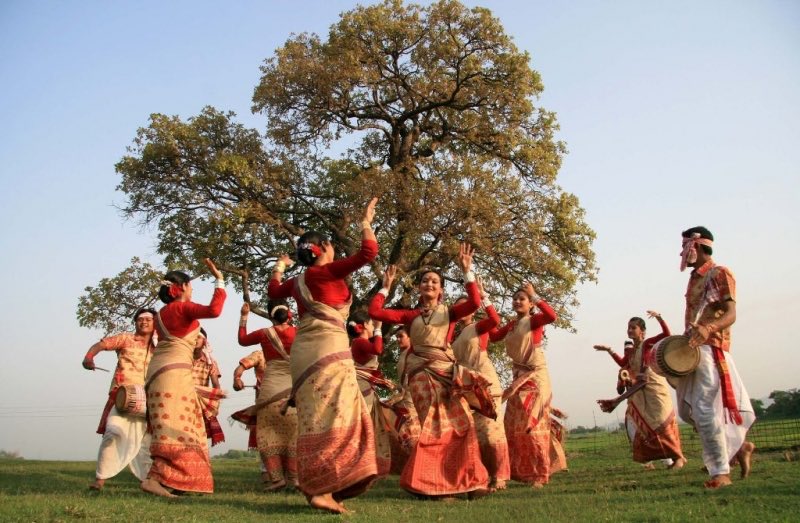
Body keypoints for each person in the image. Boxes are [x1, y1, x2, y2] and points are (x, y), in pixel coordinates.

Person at [267, 197, 379, 514]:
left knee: (315, 416)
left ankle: (320, 487)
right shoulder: (326, 272)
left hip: (304, 350)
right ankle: (325, 488)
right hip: (329, 348)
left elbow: (273, 291)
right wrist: (366, 221)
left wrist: (280, 266)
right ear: (325, 248)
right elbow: (369, 253)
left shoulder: (297, 282)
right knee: (339, 411)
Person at [368, 245, 494, 499]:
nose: (429, 284)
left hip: (447, 374)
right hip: (421, 378)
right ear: (419, 287)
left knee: (462, 424)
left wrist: (467, 271)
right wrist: (384, 287)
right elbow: (375, 312)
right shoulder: (410, 315)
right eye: (425, 280)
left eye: (435, 281)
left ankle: (469, 480)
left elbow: (474, 302)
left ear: (441, 289)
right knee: (435, 428)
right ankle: (435, 485)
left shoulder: (449, 312)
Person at [675, 226, 755, 489]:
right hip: (693, 349)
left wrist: (708, 328)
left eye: (684, 247)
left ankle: (721, 472)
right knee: (690, 412)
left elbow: (731, 314)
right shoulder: (694, 279)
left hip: (711, 349)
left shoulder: (720, 273)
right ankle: (739, 447)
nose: (681, 253)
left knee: (704, 408)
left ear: (695, 247)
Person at [141, 258, 226, 498]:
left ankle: (167, 480)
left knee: (169, 428)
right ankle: (154, 479)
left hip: (160, 373)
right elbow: (214, 311)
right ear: (182, 288)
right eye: (190, 286)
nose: (192, 290)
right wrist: (219, 280)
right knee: (181, 428)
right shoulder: (181, 308)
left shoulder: (160, 315)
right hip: (174, 375)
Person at [489, 282, 565, 488]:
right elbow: (493, 336)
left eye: (522, 298)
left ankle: (539, 474)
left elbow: (552, 316)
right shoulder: (512, 325)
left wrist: (536, 295)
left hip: (535, 377)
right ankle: (518, 472)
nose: (517, 301)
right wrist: (484, 301)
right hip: (518, 378)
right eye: (515, 298)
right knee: (513, 425)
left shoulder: (534, 322)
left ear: (530, 304)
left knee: (532, 425)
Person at [595, 311, 686, 470]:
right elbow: (622, 362)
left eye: (633, 328)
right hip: (640, 391)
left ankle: (678, 458)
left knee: (661, 423)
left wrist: (659, 317)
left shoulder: (648, 344)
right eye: (628, 328)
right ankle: (658, 460)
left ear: (642, 331)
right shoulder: (631, 352)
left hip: (654, 388)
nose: (629, 331)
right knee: (643, 425)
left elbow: (666, 334)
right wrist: (609, 350)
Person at [82, 308, 156, 490]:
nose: (144, 322)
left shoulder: (161, 345)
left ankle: (146, 481)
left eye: (148, 319)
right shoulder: (125, 339)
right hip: (124, 396)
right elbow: (101, 344)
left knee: (145, 442)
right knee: (112, 433)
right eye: (140, 319)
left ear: (155, 323)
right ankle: (100, 480)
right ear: (135, 323)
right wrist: (89, 356)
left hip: (150, 399)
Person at [450, 280, 510, 490]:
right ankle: (482, 477)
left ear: (473, 310)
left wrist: (483, 296)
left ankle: (499, 476)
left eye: (465, 306)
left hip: (485, 383)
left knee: (492, 432)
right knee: (475, 435)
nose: (462, 310)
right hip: (466, 389)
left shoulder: (478, 327)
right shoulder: (455, 339)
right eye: (457, 307)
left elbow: (494, 319)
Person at [237, 300, 298, 491]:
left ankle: (277, 478)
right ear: (290, 315)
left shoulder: (264, 333)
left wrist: (244, 316)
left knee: (267, 433)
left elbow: (242, 339)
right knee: (295, 434)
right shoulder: (300, 333)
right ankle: (295, 478)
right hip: (294, 389)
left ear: (271, 316)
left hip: (269, 389)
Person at [347, 312, 394, 479]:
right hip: (361, 390)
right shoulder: (359, 342)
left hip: (366, 388)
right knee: (363, 427)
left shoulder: (361, 342)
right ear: (365, 325)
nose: (373, 324)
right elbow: (377, 349)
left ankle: (367, 468)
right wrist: (379, 329)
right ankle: (358, 467)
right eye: (371, 323)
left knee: (369, 428)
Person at [388, 326, 421, 474]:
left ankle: (420, 468)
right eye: (396, 337)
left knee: (412, 435)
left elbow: (411, 381)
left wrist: (399, 395)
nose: (397, 339)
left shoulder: (414, 354)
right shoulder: (402, 355)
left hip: (411, 400)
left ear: (411, 337)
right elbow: (403, 382)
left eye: (401, 336)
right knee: (404, 434)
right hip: (403, 399)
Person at [230, 348, 266, 476]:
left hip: (289, 402)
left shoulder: (295, 350)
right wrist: (237, 378)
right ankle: (268, 475)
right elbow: (240, 368)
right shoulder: (260, 354)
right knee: (265, 440)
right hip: (264, 405)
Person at [191, 328, 225, 446]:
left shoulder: (210, 362)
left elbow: (216, 385)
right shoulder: (181, 359)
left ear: (204, 341)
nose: (195, 340)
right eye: (193, 336)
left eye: (198, 337)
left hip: (200, 404)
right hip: (182, 400)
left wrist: (214, 406)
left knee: (199, 437)